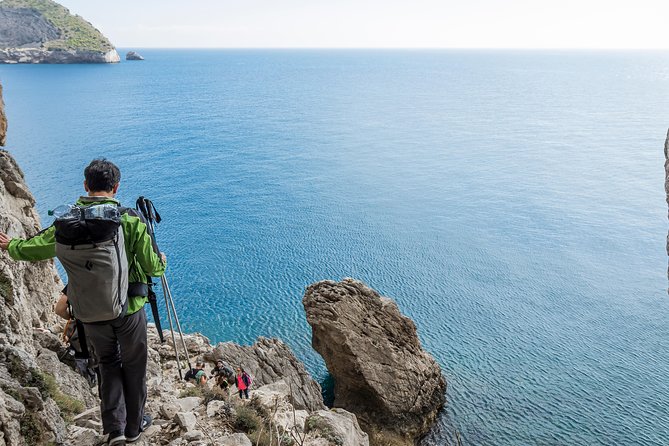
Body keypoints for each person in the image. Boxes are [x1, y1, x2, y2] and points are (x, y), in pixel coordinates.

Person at [0, 159, 166, 446]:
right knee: (135, 366)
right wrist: (161, 263)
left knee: (107, 364)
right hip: (129, 310)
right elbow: (152, 268)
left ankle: (114, 429)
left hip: (89, 312)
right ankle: (134, 428)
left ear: (86, 186)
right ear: (115, 187)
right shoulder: (128, 219)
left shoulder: (68, 222)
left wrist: (10, 246)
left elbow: (35, 249)